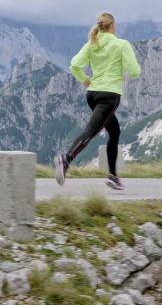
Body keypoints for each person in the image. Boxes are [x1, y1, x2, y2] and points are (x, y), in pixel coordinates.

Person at [54, 12, 141, 189]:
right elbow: (134, 72)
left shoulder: (91, 44)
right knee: (91, 131)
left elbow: (74, 65)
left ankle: (113, 176)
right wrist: (127, 65)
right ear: (113, 26)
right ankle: (66, 159)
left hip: (92, 95)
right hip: (109, 95)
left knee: (114, 132)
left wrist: (84, 79)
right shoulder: (121, 45)